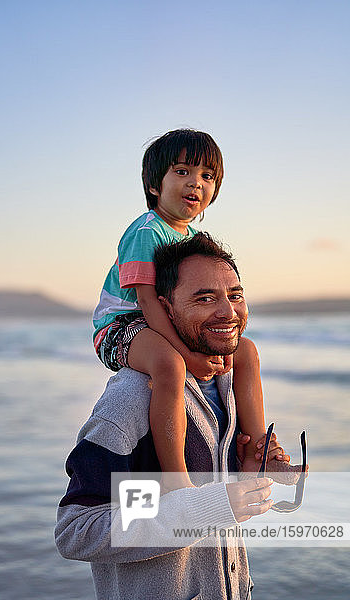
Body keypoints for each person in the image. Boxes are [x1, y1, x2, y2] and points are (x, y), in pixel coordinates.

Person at [55, 233, 290, 600]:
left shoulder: (228, 388)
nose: (228, 312)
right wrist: (203, 508)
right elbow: (80, 530)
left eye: (235, 295)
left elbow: (203, 506)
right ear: (164, 309)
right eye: (205, 299)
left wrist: (247, 476)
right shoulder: (133, 400)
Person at [93, 129, 287, 491]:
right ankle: (176, 481)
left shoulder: (190, 241)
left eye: (207, 176)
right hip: (121, 326)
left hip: (162, 321)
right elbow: (149, 302)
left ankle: (258, 451)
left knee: (246, 350)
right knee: (169, 366)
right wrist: (188, 356)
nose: (195, 183)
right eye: (182, 171)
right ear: (154, 185)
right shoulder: (146, 232)